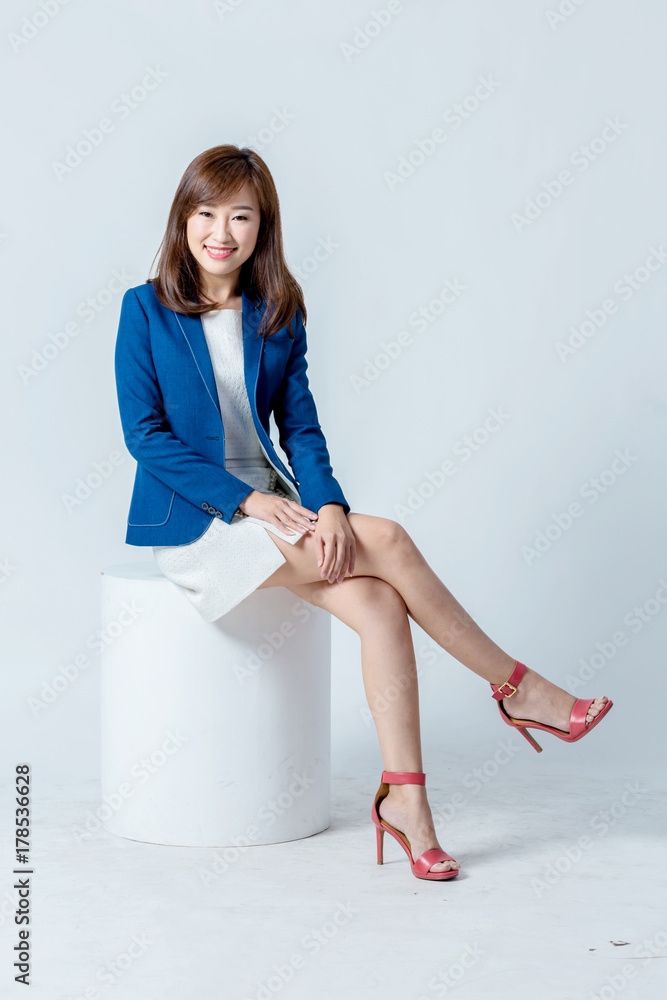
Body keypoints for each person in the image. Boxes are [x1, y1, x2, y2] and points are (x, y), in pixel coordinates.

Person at [114, 144, 613, 882]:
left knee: (379, 603)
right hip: (202, 526)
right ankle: (520, 690)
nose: (222, 231)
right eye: (207, 212)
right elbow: (144, 436)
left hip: (282, 518)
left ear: (263, 227)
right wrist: (247, 500)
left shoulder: (278, 314)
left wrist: (327, 507)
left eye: (241, 216)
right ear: (183, 218)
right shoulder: (144, 308)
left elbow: (302, 428)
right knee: (394, 541)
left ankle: (406, 804)